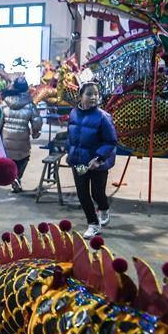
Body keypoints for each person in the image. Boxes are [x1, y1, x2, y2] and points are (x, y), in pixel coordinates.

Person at [66, 82, 117, 239]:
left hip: (97, 165)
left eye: (96, 94)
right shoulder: (74, 113)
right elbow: (71, 136)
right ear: (80, 96)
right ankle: (93, 224)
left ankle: (104, 207)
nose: (93, 97)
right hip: (80, 164)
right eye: (89, 94)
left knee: (97, 193)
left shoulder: (103, 117)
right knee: (82, 193)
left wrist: (99, 158)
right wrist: (69, 151)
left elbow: (111, 141)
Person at [0, 77, 42, 193]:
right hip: (22, 139)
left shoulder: (4, 102)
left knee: (9, 161)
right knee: (23, 158)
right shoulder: (29, 103)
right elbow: (36, 120)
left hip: (6, 139)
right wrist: (36, 131)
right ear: (26, 88)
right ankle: (17, 177)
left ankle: (13, 178)